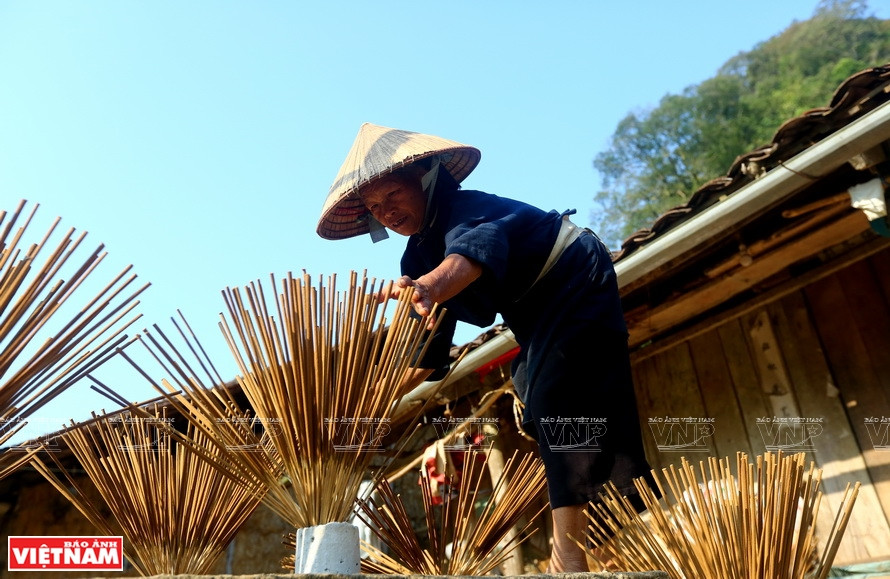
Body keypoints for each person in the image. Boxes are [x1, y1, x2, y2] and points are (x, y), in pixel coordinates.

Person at [318, 123, 654, 572]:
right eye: (375, 208)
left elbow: (468, 257)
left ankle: (567, 558)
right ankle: (616, 523)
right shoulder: (415, 259)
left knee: (560, 398)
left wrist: (429, 287)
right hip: (535, 318)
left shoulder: (464, 209)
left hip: (575, 276)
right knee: (541, 402)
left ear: (425, 178)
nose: (386, 213)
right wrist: (364, 404)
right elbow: (425, 359)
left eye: (393, 195)